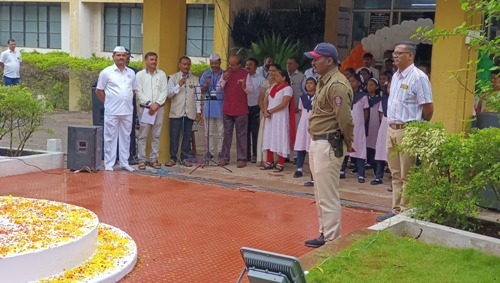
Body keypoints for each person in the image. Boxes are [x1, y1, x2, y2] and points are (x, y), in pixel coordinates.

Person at [303, 43, 354, 248]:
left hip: (329, 143)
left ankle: (332, 240)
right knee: (320, 193)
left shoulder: (337, 85)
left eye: (317, 58)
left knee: (328, 195)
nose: (313, 62)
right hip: (318, 141)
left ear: (329, 60)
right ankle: (325, 233)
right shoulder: (325, 81)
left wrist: (348, 141)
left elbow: (345, 119)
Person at [376, 41, 434, 222]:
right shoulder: (395, 76)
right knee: (395, 172)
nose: (395, 56)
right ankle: (396, 209)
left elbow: (428, 108)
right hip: (392, 129)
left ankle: (406, 210)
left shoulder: (418, 78)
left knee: (407, 173)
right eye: (394, 53)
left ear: (410, 56)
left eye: (399, 53)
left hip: (408, 130)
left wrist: (417, 127)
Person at [95, 46, 138, 172]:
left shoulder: (131, 73)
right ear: (113, 57)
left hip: (127, 111)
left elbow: (133, 90)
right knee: (110, 137)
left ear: (127, 58)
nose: (121, 58)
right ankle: (109, 163)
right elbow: (99, 90)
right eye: (118, 55)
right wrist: (108, 102)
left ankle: (125, 162)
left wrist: (125, 100)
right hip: (112, 111)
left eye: (123, 55)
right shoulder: (106, 72)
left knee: (126, 137)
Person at [218, 54, 253, 168]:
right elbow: (218, 89)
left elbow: (250, 90)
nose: (230, 66)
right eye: (229, 64)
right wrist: (224, 78)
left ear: (239, 65)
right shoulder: (225, 73)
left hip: (241, 109)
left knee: (241, 134)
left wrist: (244, 85)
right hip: (228, 107)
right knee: (226, 134)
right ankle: (224, 157)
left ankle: (242, 158)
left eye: (233, 65)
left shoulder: (245, 74)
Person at [165, 56, 202, 167]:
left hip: (189, 111)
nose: (186, 66)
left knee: (187, 136)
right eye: (184, 64)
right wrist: (178, 85)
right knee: (174, 135)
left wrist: (198, 112)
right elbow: (169, 94)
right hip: (176, 111)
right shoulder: (172, 78)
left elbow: (198, 96)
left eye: (188, 64)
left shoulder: (195, 79)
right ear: (179, 65)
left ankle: (184, 158)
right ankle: (173, 157)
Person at [135, 52, 168, 170]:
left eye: (155, 60)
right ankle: (142, 159)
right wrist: (149, 104)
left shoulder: (162, 74)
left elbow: (165, 91)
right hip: (145, 109)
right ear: (146, 61)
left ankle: (153, 159)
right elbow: (138, 92)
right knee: (142, 135)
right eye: (151, 59)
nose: (154, 62)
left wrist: (157, 104)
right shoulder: (139, 75)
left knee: (156, 135)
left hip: (159, 109)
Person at [260, 69, 294, 172]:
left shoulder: (288, 89)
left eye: (278, 76)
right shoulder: (273, 87)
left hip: (280, 117)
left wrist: (270, 111)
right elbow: (266, 100)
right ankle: (269, 162)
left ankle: (280, 163)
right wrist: (265, 111)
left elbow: (284, 104)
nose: (275, 77)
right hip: (270, 117)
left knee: (280, 137)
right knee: (270, 137)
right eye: (275, 76)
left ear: (284, 78)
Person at [339, 74, 369, 183]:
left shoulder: (363, 96)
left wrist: (362, 123)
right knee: (344, 147)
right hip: (346, 125)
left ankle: (361, 173)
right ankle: (341, 171)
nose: (351, 83)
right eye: (349, 81)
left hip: (358, 126)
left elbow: (366, 112)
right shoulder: (344, 94)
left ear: (359, 83)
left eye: (353, 81)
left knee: (359, 148)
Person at [199, 54, 224, 160]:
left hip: (221, 105)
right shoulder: (206, 74)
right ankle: (209, 152)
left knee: (221, 131)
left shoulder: (224, 74)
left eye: (216, 63)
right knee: (208, 131)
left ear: (220, 62)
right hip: (209, 105)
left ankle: (220, 152)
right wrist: (207, 84)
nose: (214, 65)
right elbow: (201, 90)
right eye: (212, 63)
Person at [256, 63, 281, 167]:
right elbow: (260, 99)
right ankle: (264, 158)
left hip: (277, 114)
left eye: (274, 71)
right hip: (266, 114)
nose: (271, 73)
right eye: (270, 71)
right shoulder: (266, 83)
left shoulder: (281, 83)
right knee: (264, 135)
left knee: (276, 135)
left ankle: (276, 159)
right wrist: (264, 111)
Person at [293, 77, 317, 178]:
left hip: (314, 123)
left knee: (313, 147)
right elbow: (300, 110)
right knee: (301, 145)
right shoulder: (302, 98)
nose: (308, 85)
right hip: (303, 123)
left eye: (311, 83)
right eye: (307, 83)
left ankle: (313, 170)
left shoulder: (318, 97)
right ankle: (299, 169)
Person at [245, 58, 266, 163]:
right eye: (247, 64)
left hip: (256, 107)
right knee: (245, 132)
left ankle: (255, 154)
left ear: (256, 67)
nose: (248, 66)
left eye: (251, 64)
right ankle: (246, 154)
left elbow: (263, 95)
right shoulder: (242, 77)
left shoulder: (261, 79)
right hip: (244, 107)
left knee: (255, 132)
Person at [365, 78, 383, 171]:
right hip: (367, 123)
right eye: (368, 85)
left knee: (374, 142)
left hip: (375, 123)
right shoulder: (364, 98)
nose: (369, 87)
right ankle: (367, 161)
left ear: (376, 87)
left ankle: (373, 162)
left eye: (371, 85)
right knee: (366, 142)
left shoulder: (379, 99)